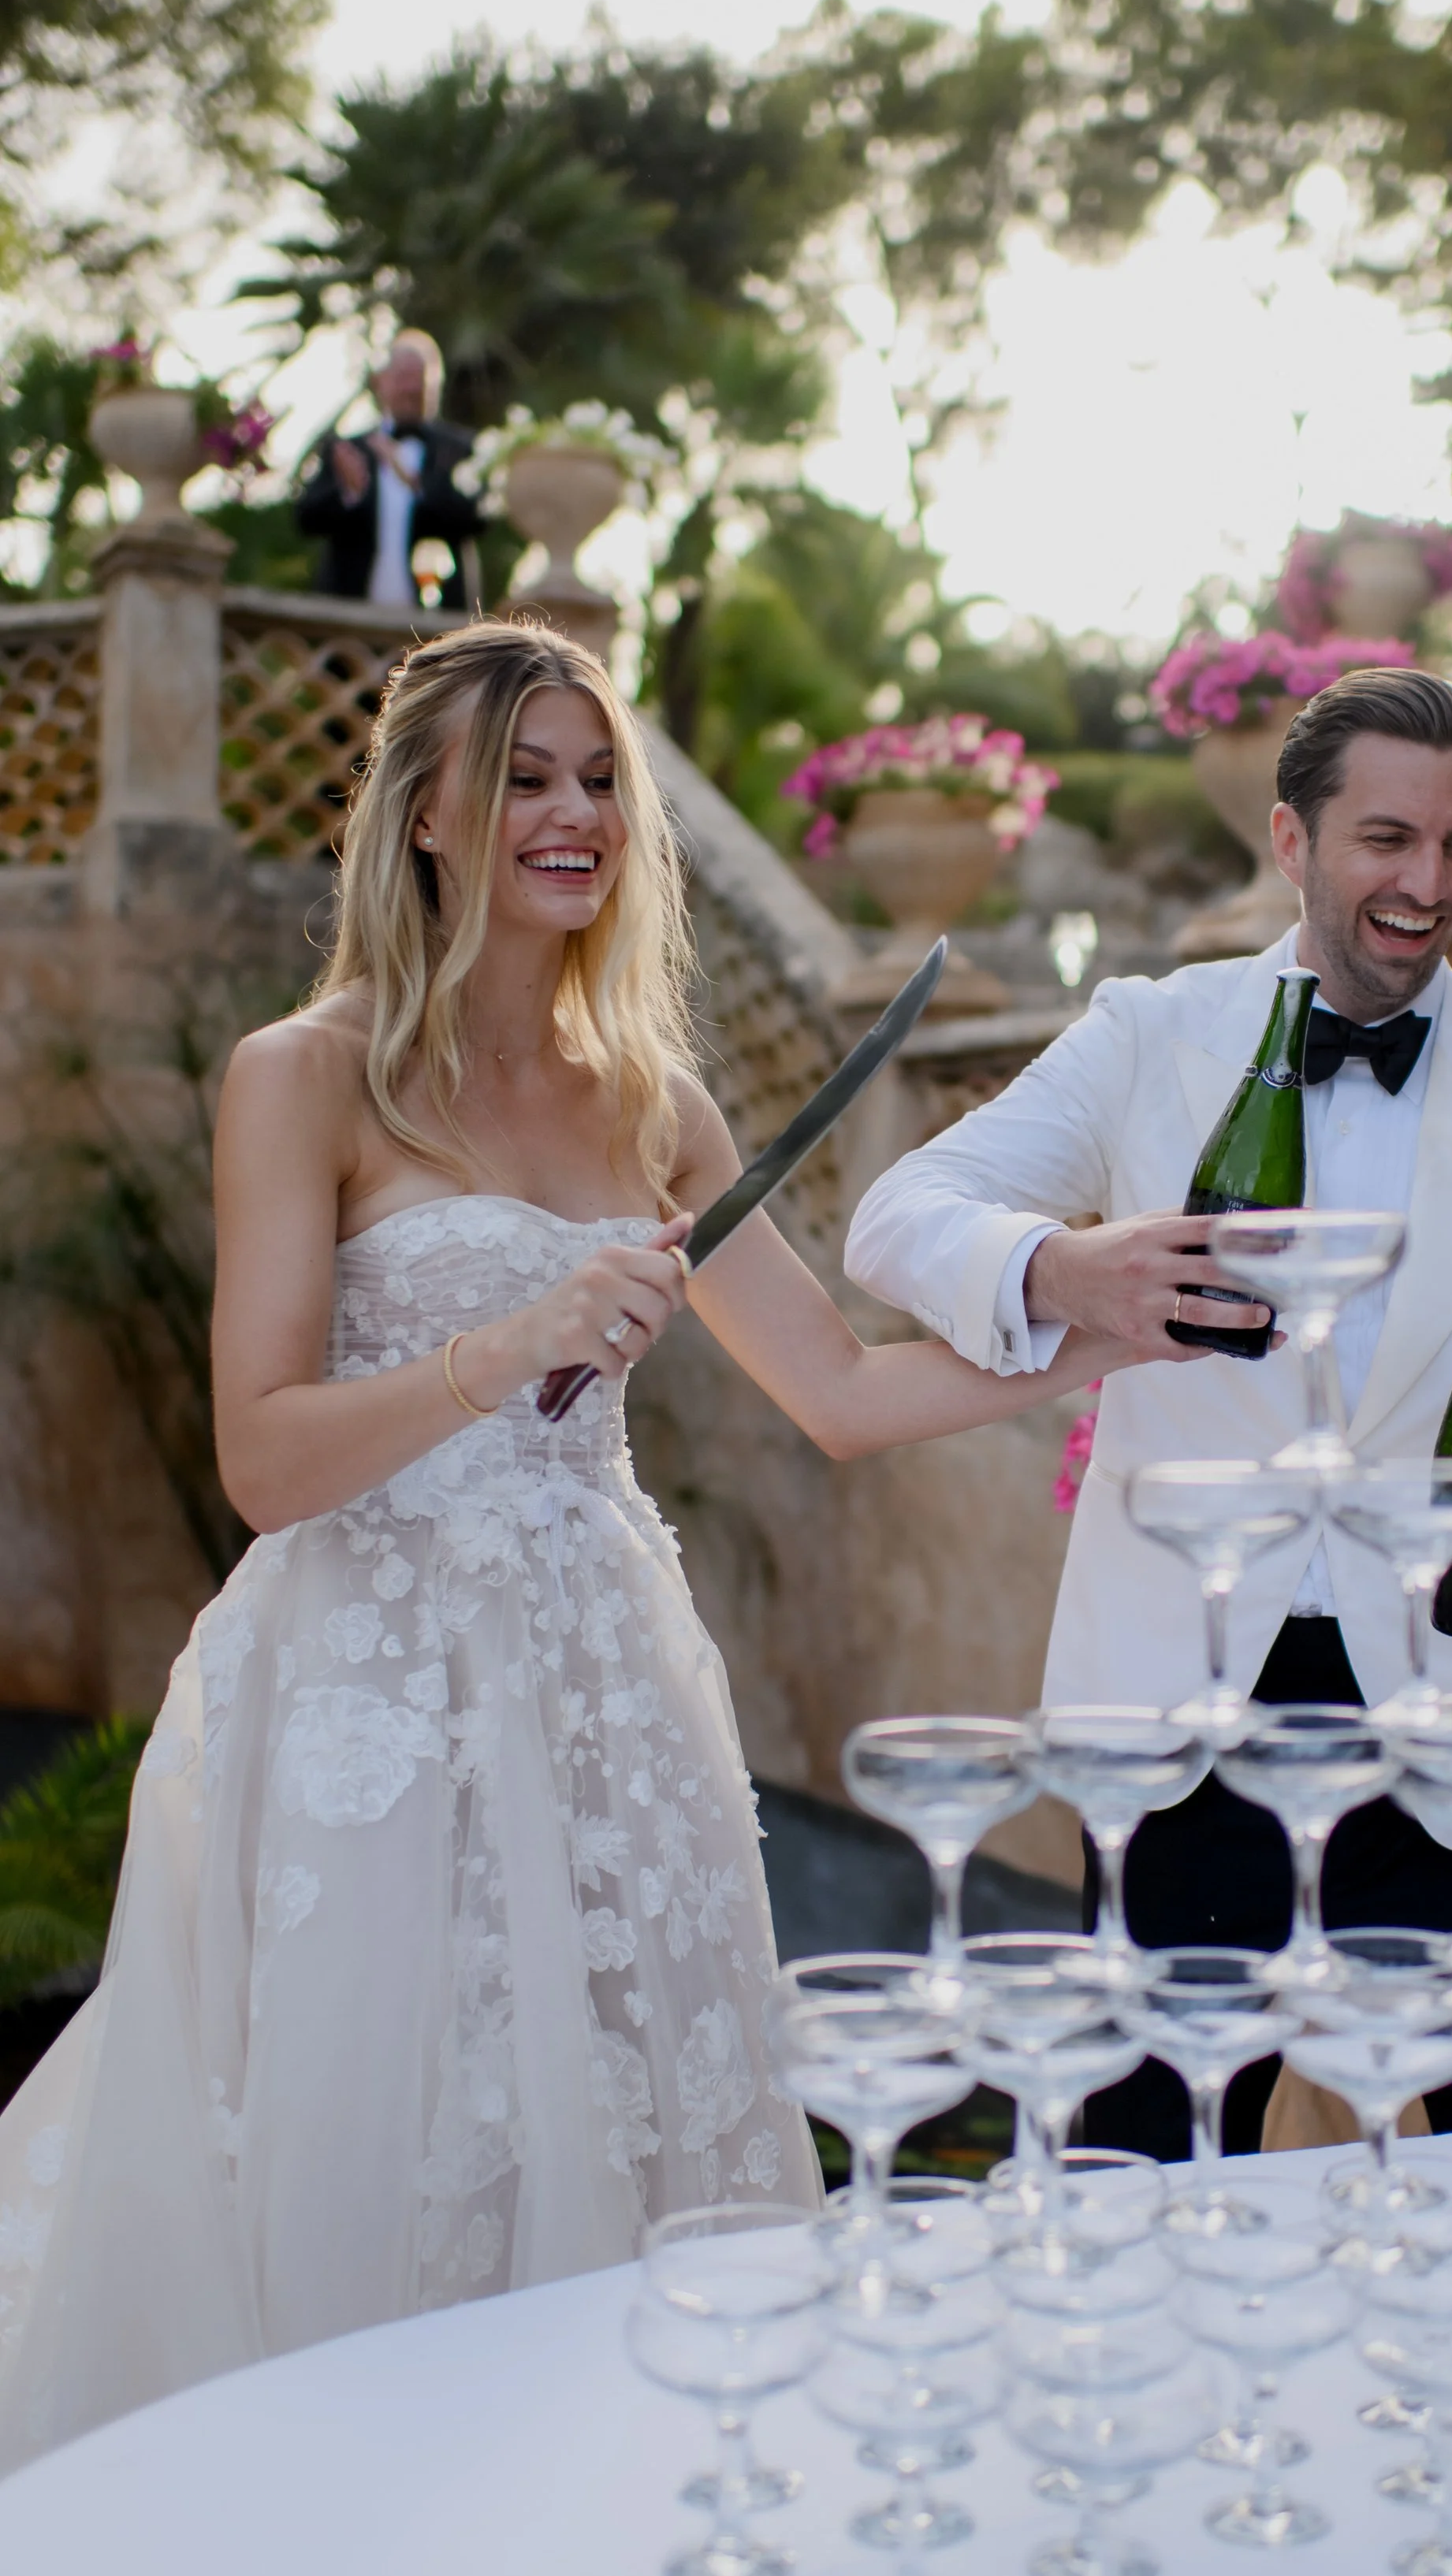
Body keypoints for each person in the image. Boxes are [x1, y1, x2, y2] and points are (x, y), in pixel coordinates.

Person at [0, 623, 1152, 2470]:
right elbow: (263, 1462)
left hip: (607, 1689)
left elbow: (843, 1394)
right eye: (529, 777)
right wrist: (496, 1347)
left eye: (601, 777)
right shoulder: (306, 1077)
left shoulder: (656, 1102)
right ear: (431, 812)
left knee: (632, 2139)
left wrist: (1096, 1320)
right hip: (365, 1701)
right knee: (385, 2148)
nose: (575, 812)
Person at [846, 667, 1452, 2158]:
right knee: (1145, 2173)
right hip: (1176, 1719)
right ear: (1289, 840)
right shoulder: (1146, 1033)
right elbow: (900, 1215)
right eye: (1386, 839)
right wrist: (1067, 1265)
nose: (1428, 885)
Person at [293, 329, 483, 610]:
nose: (412, 389)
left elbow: (476, 519)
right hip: (350, 621)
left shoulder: (458, 449)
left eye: (420, 379)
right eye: (403, 378)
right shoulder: (350, 450)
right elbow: (306, 519)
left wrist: (416, 483)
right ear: (381, 382)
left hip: (437, 626)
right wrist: (350, 494)